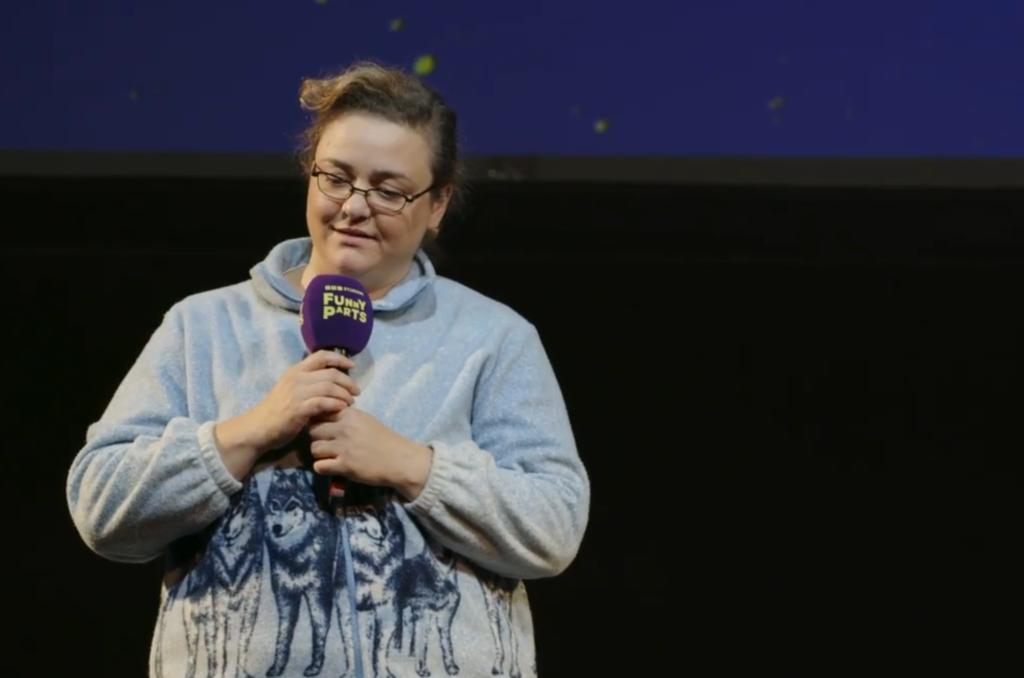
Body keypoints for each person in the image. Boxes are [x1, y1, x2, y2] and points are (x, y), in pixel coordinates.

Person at [66, 61, 590, 678]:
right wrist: (247, 433)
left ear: (438, 204)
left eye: (390, 190)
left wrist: (413, 466)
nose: (355, 207)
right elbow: (101, 507)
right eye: (336, 178)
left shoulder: (492, 338)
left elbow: (553, 526)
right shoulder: (202, 326)